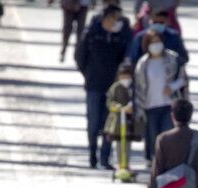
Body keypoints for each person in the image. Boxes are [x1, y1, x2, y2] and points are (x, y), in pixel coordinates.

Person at [76, 5, 130, 170]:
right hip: (94, 85)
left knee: (110, 123)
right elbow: (79, 56)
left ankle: (105, 158)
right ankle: (92, 154)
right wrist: (88, 74)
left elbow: (123, 59)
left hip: (112, 87)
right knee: (93, 123)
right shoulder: (92, 34)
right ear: (107, 18)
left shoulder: (120, 36)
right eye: (116, 18)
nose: (118, 22)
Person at [134, 29, 188, 162]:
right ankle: (154, 162)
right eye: (152, 42)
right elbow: (139, 87)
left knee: (168, 136)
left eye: (158, 41)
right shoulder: (143, 64)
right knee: (153, 137)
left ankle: (168, 162)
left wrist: (172, 87)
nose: (156, 45)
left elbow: (183, 79)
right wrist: (139, 107)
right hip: (150, 105)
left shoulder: (172, 59)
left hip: (169, 105)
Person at [104, 64, 144, 174]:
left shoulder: (134, 88)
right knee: (118, 144)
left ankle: (126, 164)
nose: (125, 80)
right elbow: (109, 102)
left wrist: (132, 107)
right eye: (123, 77)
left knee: (127, 144)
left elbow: (139, 99)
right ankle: (119, 164)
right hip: (117, 121)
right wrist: (117, 107)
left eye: (127, 77)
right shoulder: (115, 87)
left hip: (130, 121)